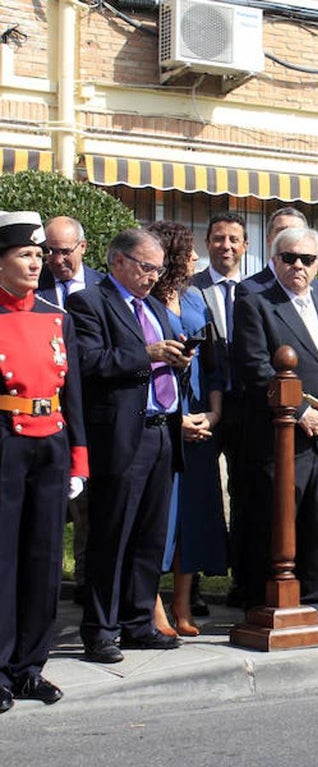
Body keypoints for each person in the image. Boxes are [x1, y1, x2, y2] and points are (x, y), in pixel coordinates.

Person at [69, 229, 190, 663]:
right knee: (112, 534)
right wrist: (149, 353)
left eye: (158, 269)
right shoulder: (90, 302)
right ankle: (100, 629)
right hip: (122, 437)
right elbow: (88, 361)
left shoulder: (155, 306)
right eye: (145, 267)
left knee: (150, 534)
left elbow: (159, 360)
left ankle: (139, 621)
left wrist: (178, 359)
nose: (153, 277)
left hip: (161, 430)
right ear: (118, 261)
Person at [232, 227, 318, 629]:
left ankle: (317, 604)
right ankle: (262, 605)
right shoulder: (256, 304)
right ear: (274, 261)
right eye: (289, 258)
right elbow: (255, 368)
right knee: (273, 525)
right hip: (282, 440)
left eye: (307, 259)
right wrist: (302, 412)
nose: (298, 266)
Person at [0, 212, 88, 712]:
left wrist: (79, 459)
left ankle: (29, 666)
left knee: (44, 558)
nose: (36, 263)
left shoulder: (56, 314)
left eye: (39, 255)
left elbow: (70, 392)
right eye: (25, 255)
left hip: (51, 440)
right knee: (4, 558)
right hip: (6, 441)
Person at [146, 221, 228, 637]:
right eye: (190, 251)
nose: (196, 257)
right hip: (163, 423)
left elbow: (214, 366)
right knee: (162, 517)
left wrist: (212, 414)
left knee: (193, 518)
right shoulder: (146, 304)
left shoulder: (197, 300)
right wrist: (175, 419)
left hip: (200, 422)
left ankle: (183, 604)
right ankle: (153, 605)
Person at [34, 215, 101, 607]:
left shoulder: (102, 288)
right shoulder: (32, 287)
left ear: (83, 248)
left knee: (91, 511)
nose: (56, 259)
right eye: (49, 252)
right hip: (42, 415)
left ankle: (88, 585)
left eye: (64, 251)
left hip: (91, 416)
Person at [189, 211, 248, 608]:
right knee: (199, 495)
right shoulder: (189, 289)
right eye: (218, 238)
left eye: (233, 240)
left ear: (245, 246)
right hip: (203, 406)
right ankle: (188, 587)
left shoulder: (256, 289)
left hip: (244, 408)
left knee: (246, 495)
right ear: (207, 243)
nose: (225, 246)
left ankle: (243, 581)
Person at [35, 216, 102, 308]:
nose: (58, 260)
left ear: (82, 247)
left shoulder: (105, 288)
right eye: (51, 251)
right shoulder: (33, 285)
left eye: (65, 252)